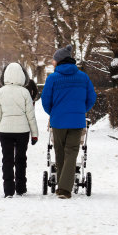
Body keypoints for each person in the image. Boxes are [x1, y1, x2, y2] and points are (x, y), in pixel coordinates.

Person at [41, 44, 96, 199]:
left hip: (58, 121)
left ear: (59, 61)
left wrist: (53, 112)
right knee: (72, 152)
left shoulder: (52, 78)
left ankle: (63, 187)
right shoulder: (83, 77)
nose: (53, 62)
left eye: (54, 60)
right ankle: (64, 188)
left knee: (59, 151)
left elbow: (45, 100)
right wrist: (81, 110)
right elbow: (92, 98)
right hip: (77, 121)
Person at [0, 63, 39, 198]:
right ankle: (21, 187)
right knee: (21, 159)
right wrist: (34, 134)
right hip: (22, 131)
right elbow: (31, 115)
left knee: (7, 159)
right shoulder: (25, 92)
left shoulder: (0, 92)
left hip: (5, 130)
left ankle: (8, 189)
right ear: (22, 75)